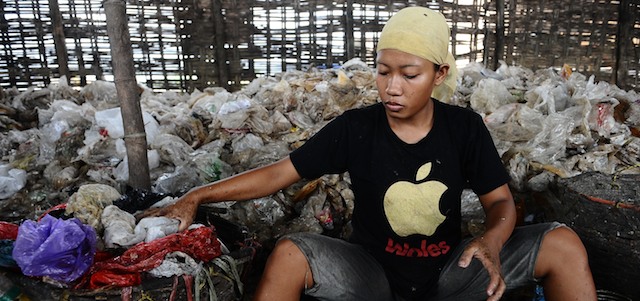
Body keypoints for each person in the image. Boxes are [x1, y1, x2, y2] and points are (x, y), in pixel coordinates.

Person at [139, 6, 597, 301]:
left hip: (451, 274)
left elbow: (499, 201)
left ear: (439, 74)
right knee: (289, 254)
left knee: (561, 243)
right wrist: (198, 195)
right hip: (372, 276)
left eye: (409, 74)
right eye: (383, 71)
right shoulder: (356, 129)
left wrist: (491, 243)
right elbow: (280, 174)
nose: (392, 87)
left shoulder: (463, 129)